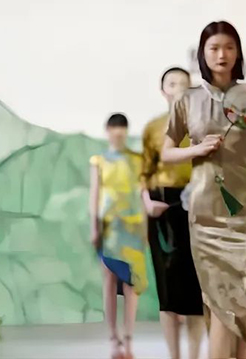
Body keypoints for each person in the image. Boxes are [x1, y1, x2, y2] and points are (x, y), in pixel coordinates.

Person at [161, 21, 246, 359]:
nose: (222, 55)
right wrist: (196, 150)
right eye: (214, 48)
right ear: (203, 53)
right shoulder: (187, 100)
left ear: (238, 53)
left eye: (228, 47)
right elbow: (166, 153)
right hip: (207, 217)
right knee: (220, 302)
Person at [141, 67, 205, 359]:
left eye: (184, 84)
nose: (178, 88)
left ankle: (194, 355)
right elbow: (145, 172)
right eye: (172, 83)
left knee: (195, 289)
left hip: (195, 203)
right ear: (163, 90)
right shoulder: (153, 127)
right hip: (161, 207)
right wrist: (147, 202)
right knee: (167, 290)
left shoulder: (201, 125)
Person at [89, 114, 148, 359]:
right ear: (107, 130)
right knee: (109, 280)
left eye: (122, 127)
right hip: (109, 227)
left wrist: (146, 228)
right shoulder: (99, 161)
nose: (118, 131)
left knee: (132, 283)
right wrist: (94, 227)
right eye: (114, 127)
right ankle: (113, 338)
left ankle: (129, 338)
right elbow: (94, 195)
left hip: (132, 227)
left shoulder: (137, 160)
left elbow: (142, 193)